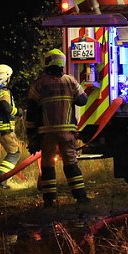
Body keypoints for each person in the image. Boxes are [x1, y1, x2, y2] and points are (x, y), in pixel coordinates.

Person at [26, 48, 90, 207]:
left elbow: (32, 112)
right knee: (70, 162)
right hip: (67, 132)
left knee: (48, 163)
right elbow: (83, 100)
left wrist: (32, 136)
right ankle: (80, 197)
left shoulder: (39, 84)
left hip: (46, 133)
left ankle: (49, 199)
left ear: (47, 62)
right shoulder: (70, 81)